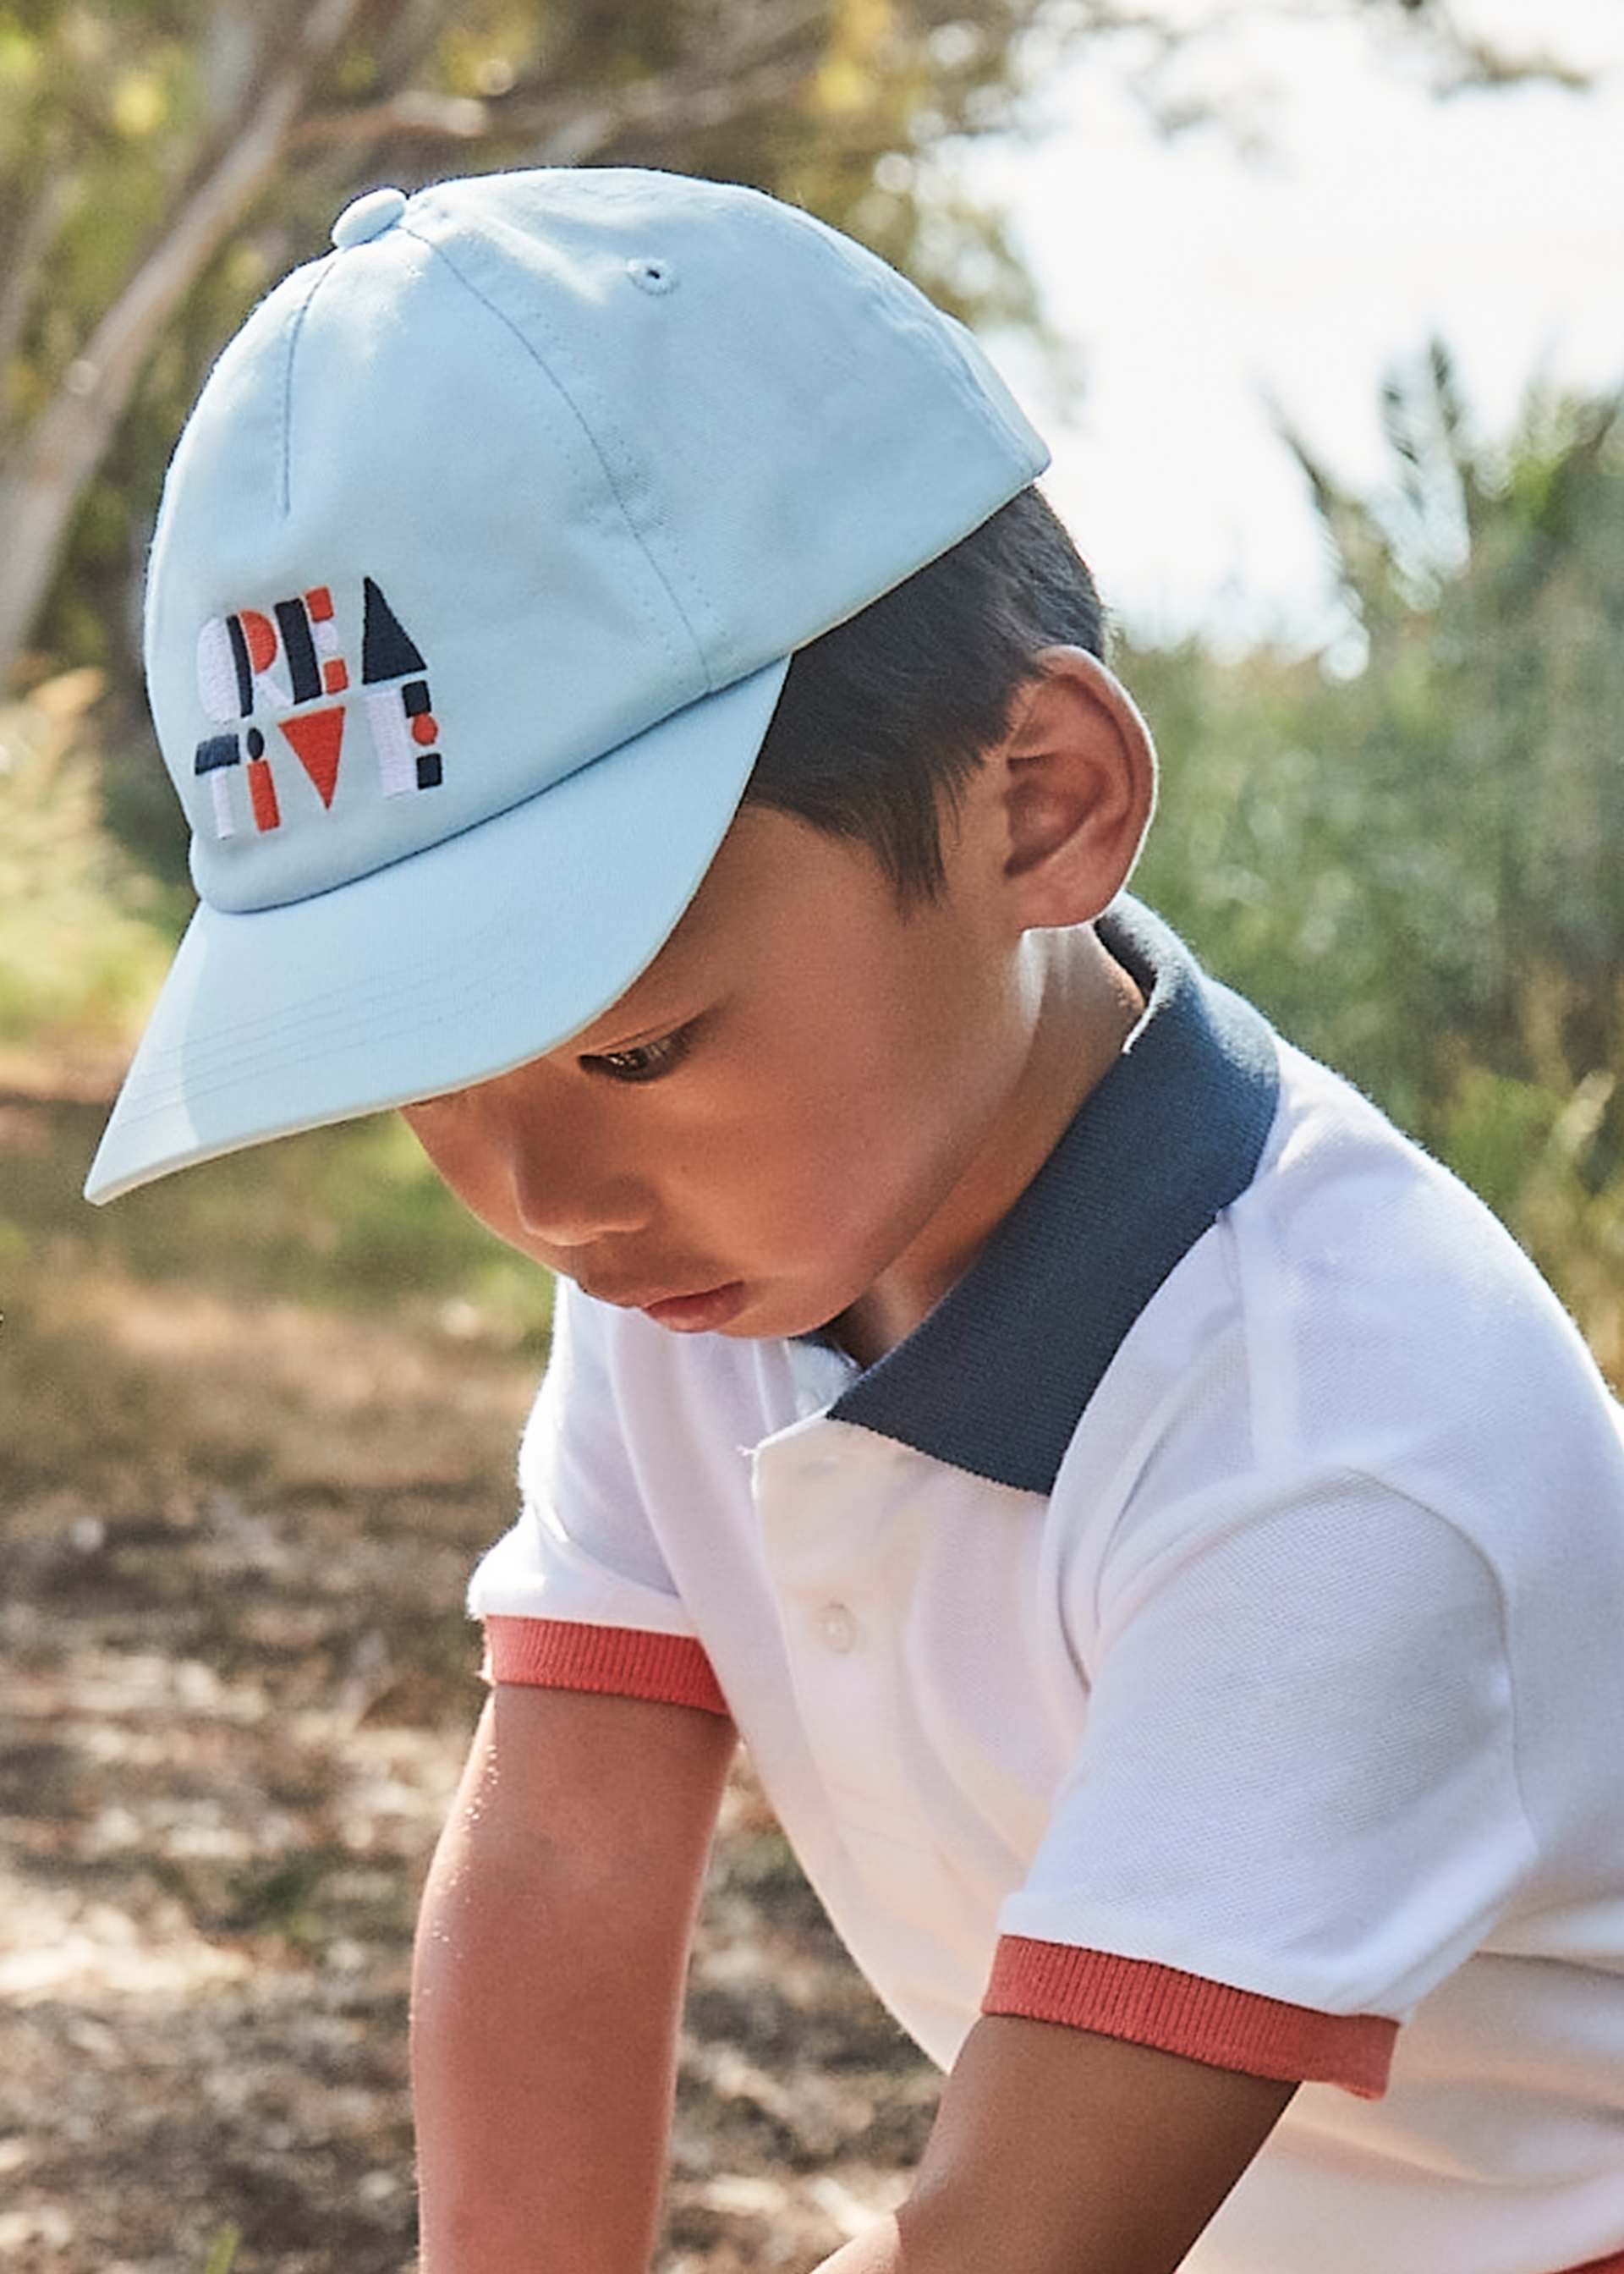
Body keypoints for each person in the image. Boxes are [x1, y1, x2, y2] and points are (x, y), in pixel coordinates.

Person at [83, 167, 1624, 2274]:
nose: (540, 1198)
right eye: (431, 1066)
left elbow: (1017, 2245)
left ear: (1040, 803)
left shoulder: (1333, 1430)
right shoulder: (709, 1253)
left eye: (628, 1048)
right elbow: (566, 1863)